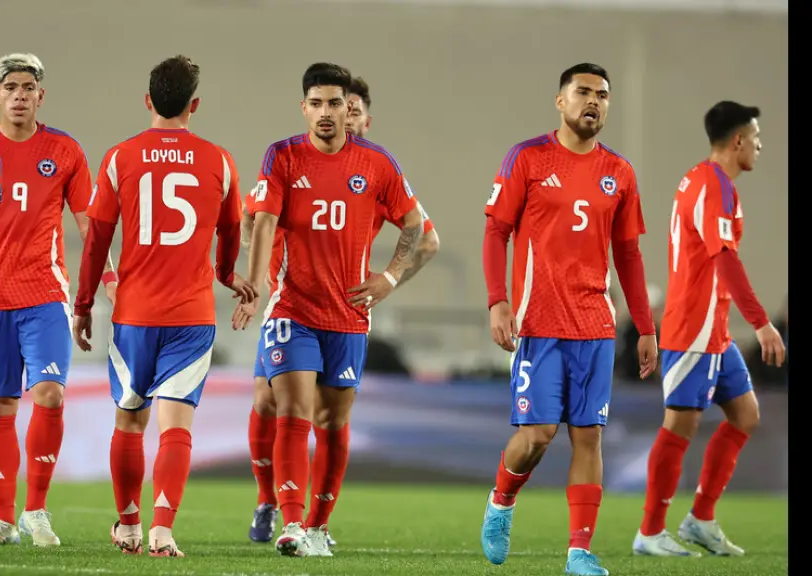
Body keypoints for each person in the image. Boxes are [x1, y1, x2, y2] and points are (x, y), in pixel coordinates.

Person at [242, 75, 440, 547]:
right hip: (289, 305)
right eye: (322, 104)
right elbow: (254, 214)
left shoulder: (378, 167)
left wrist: (389, 278)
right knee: (279, 405)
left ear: (362, 117)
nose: (337, 115)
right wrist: (260, 269)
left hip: (347, 314)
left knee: (330, 419)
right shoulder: (285, 157)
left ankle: (317, 525)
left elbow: (425, 237)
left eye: (345, 108)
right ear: (306, 108)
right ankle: (279, 508)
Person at [72, 55, 256, 557]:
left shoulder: (120, 157)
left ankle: (128, 526)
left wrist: (84, 303)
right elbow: (232, 231)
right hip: (191, 316)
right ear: (194, 105)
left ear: (148, 101)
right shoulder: (218, 160)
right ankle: (162, 531)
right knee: (176, 427)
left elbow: (96, 241)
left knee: (129, 418)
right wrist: (224, 275)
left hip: (134, 313)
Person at [478, 63, 657, 576]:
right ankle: (502, 501)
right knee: (537, 435)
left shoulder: (619, 172)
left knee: (589, 436)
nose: (593, 102)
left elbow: (628, 253)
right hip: (538, 323)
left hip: (596, 325)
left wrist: (644, 327)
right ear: (561, 101)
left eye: (602, 94)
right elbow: (497, 233)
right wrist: (498, 301)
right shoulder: (528, 157)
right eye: (583, 92)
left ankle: (579, 551)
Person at [0, 52, 116, 548]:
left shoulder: (65, 151)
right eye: (9, 87)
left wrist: (106, 279)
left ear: (40, 95)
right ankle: (2, 518)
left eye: (27, 87)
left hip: (44, 295)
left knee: (50, 393)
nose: (18, 95)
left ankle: (35, 511)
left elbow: (88, 225)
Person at [631, 101, 786, 558]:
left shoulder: (706, 181)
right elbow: (724, 259)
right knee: (679, 426)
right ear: (737, 140)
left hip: (714, 330)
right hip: (692, 329)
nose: (760, 145)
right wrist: (761, 324)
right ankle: (650, 531)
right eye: (755, 137)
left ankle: (700, 518)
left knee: (746, 415)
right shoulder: (712, 186)